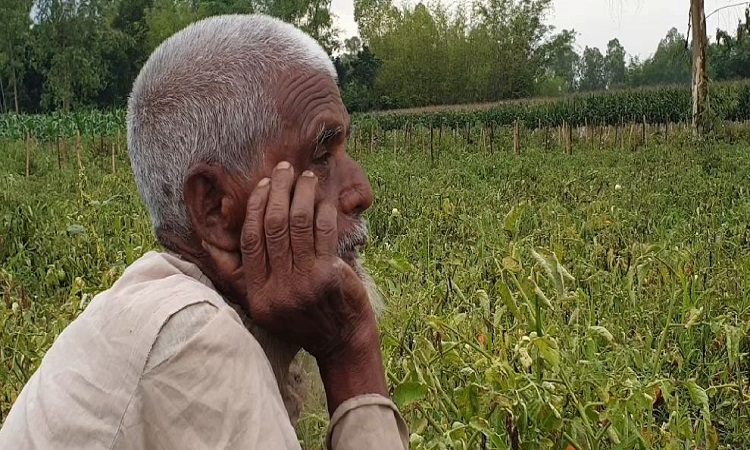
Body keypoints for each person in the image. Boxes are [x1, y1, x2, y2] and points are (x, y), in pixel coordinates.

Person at [0, 14, 409, 450]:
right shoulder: (195, 341)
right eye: (321, 154)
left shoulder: (156, 305)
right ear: (214, 208)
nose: (360, 192)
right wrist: (350, 351)